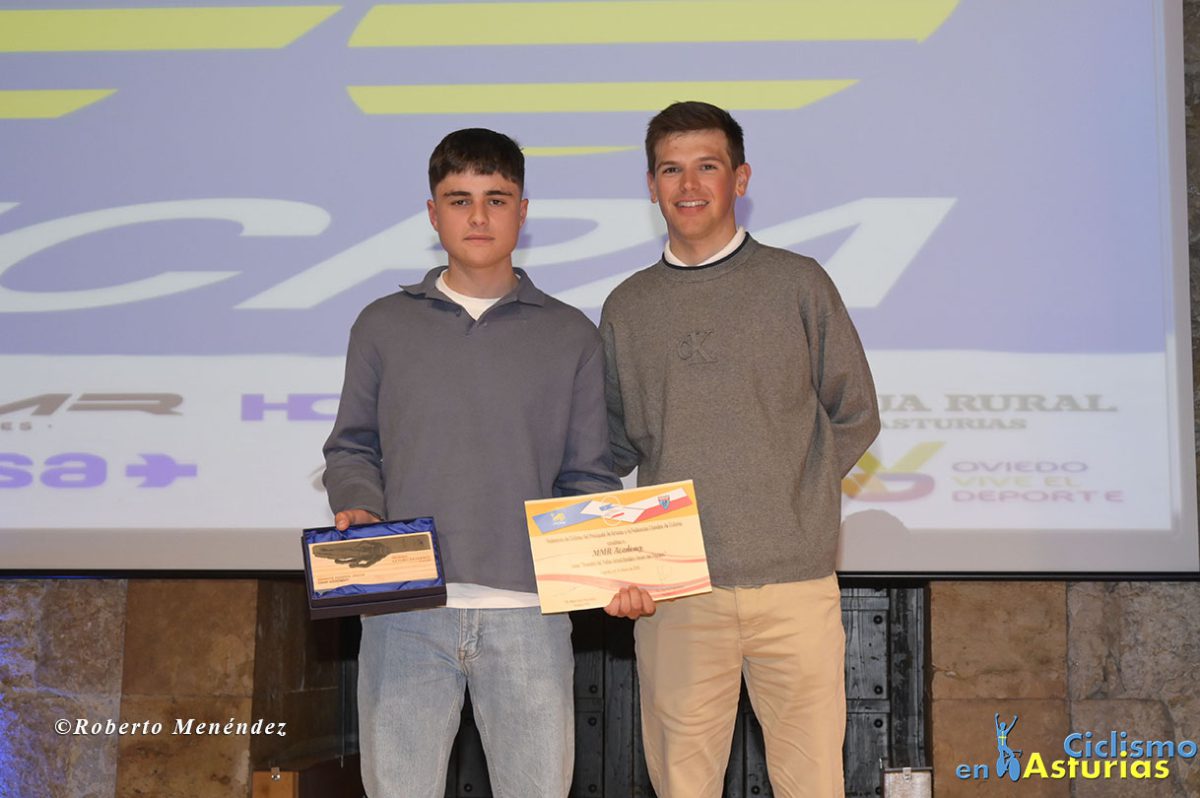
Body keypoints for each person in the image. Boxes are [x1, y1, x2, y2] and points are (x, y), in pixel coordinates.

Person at [323, 128, 620, 798]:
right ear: (434, 214)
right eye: (460, 200)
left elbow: (587, 476)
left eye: (496, 199)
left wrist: (612, 565)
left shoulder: (571, 333)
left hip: (531, 613)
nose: (478, 216)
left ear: (523, 211)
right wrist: (359, 504)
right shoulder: (381, 324)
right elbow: (352, 445)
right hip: (403, 609)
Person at [600, 101, 881, 797]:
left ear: (740, 178)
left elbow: (856, 412)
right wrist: (615, 557)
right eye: (671, 169)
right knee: (682, 787)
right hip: (677, 596)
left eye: (707, 166)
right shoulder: (627, 306)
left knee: (813, 786)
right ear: (651, 185)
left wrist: (794, 496)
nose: (689, 184)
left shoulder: (799, 283)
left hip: (796, 587)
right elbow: (607, 446)